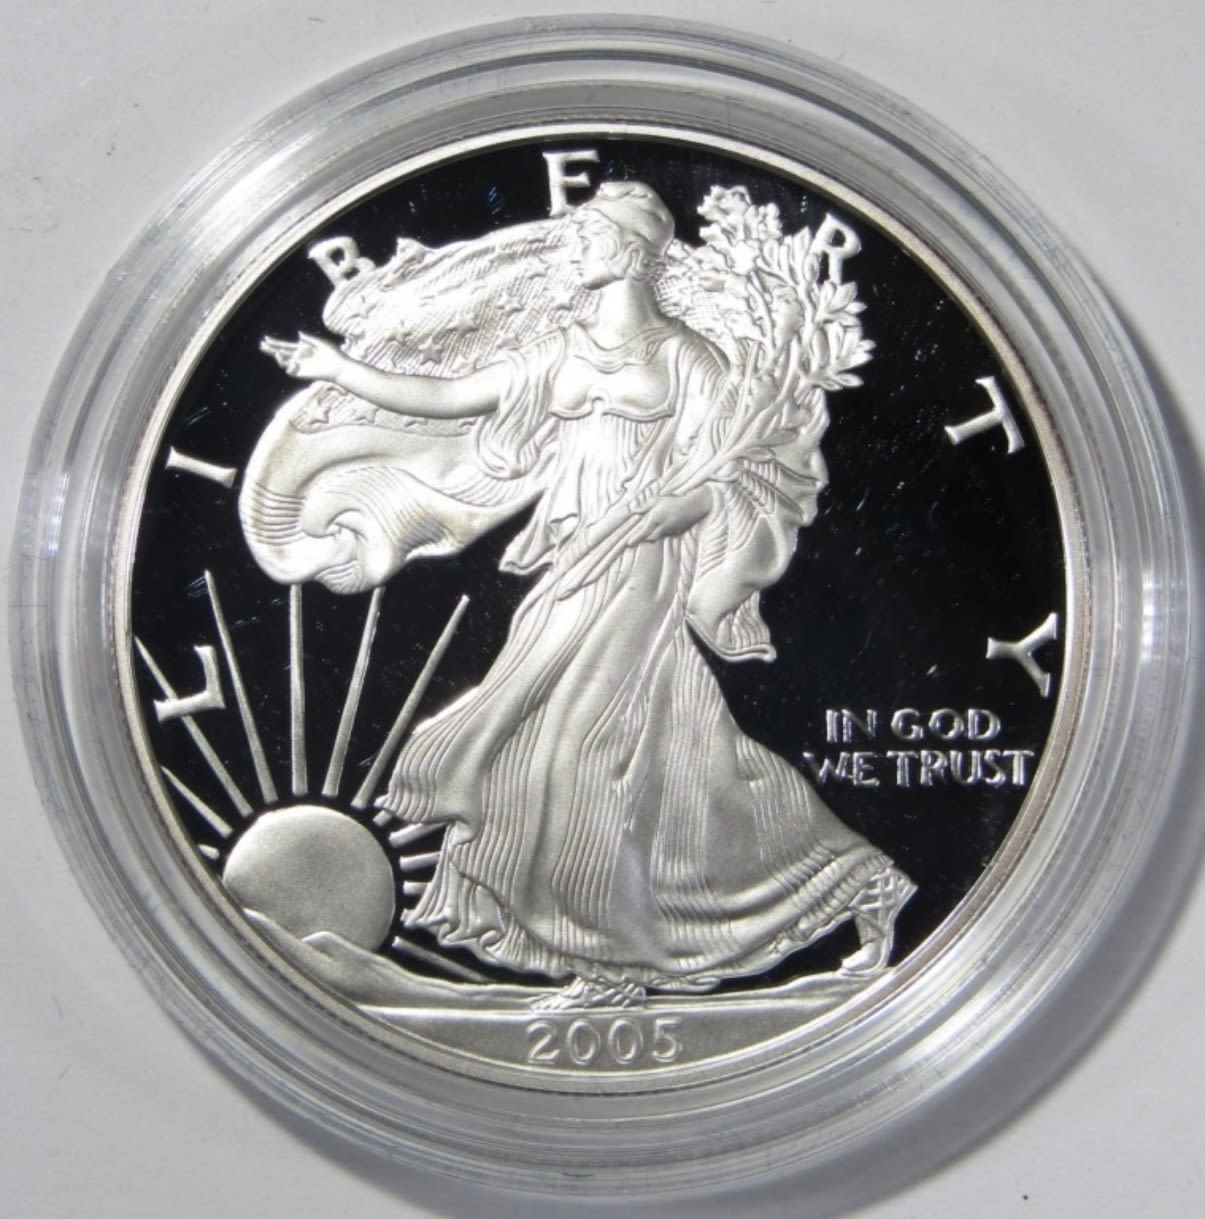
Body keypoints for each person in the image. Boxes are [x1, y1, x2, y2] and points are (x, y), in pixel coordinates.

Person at [262, 181, 914, 1009]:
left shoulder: (687, 357)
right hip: (575, 554)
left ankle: (612, 964)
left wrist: (679, 506)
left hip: (643, 560)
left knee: (581, 743)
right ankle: (853, 880)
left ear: (632, 251)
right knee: (665, 743)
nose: (572, 248)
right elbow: (452, 397)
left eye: (587, 236)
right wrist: (338, 368)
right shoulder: (559, 349)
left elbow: (734, 473)